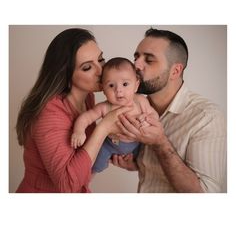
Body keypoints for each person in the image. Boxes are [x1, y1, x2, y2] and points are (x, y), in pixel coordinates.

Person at [111, 28, 227, 193]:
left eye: (149, 60)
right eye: (136, 57)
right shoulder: (134, 107)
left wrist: (160, 143)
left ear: (175, 71)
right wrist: (138, 164)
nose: (135, 65)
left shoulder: (206, 117)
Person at [15, 28, 130, 193]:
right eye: (87, 67)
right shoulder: (49, 113)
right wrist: (104, 127)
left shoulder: (88, 97)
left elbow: (86, 154)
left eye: (101, 59)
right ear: (66, 76)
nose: (101, 71)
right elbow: (67, 185)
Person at [71, 57, 156, 173]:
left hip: (136, 144)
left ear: (136, 85)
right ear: (103, 89)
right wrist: (78, 131)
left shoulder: (140, 101)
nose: (118, 91)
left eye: (125, 84)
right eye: (111, 85)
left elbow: (154, 115)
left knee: (145, 161)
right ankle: (85, 182)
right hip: (109, 145)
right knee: (94, 167)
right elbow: (85, 117)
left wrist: (147, 119)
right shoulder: (105, 107)